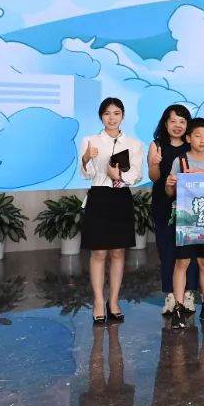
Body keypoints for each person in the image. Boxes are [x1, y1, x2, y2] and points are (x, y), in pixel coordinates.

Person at [79, 97, 144, 325]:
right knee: (98, 253)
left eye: (116, 113)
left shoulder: (134, 143)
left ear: (123, 116)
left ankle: (114, 301)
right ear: (101, 116)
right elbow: (85, 174)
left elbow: (137, 175)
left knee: (118, 252)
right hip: (98, 196)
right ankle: (98, 301)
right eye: (107, 113)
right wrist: (86, 158)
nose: (112, 118)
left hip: (121, 197)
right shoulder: (90, 140)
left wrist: (119, 176)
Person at [164, 118, 204, 329]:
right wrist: (169, 184)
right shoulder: (180, 161)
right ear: (188, 138)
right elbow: (170, 193)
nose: (203, 140)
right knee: (182, 263)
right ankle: (179, 306)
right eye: (198, 136)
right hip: (185, 220)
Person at [147, 104, 198, 317]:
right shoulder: (157, 145)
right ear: (165, 123)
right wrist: (155, 164)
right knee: (166, 248)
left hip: (190, 204)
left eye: (182, 121)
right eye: (173, 121)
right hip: (164, 203)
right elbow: (154, 178)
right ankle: (170, 294)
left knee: (190, 249)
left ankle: (189, 293)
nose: (177, 125)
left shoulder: (192, 144)